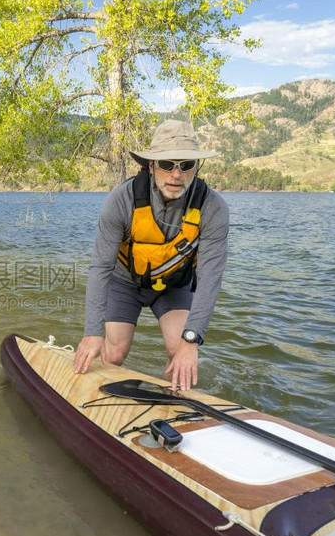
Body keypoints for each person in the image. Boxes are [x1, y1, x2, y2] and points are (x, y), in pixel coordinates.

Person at [73, 120, 229, 391]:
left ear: (197, 167)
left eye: (186, 164)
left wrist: (191, 340)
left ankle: (174, 405)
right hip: (124, 282)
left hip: (172, 286)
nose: (176, 174)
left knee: (178, 348)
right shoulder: (121, 200)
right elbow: (100, 267)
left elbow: (210, 278)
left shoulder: (213, 207)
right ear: (151, 165)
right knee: (114, 353)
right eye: (167, 164)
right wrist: (92, 332)